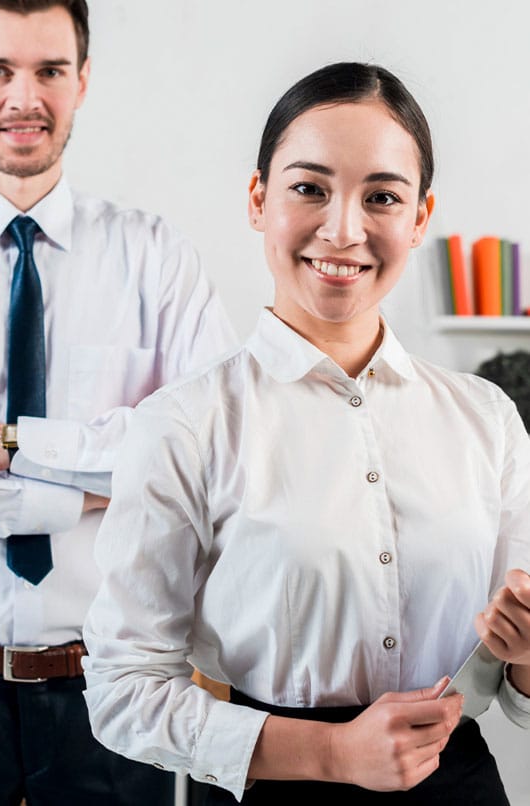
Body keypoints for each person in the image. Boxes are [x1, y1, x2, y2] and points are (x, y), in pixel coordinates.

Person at [83, 61, 530, 805]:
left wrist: (525, 659)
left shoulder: (486, 419)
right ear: (259, 199)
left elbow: (518, 688)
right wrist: (333, 753)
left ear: (420, 218)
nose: (344, 230)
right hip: (278, 784)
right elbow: (122, 691)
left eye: (382, 196)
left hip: (460, 784)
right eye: (309, 188)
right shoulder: (185, 425)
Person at [0, 1, 237, 804]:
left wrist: (11, 443)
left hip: (113, 693)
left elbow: (211, 449)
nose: (24, 98)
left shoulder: (157, 259)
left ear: (83, 80)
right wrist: (97, 489)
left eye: (50, 70)